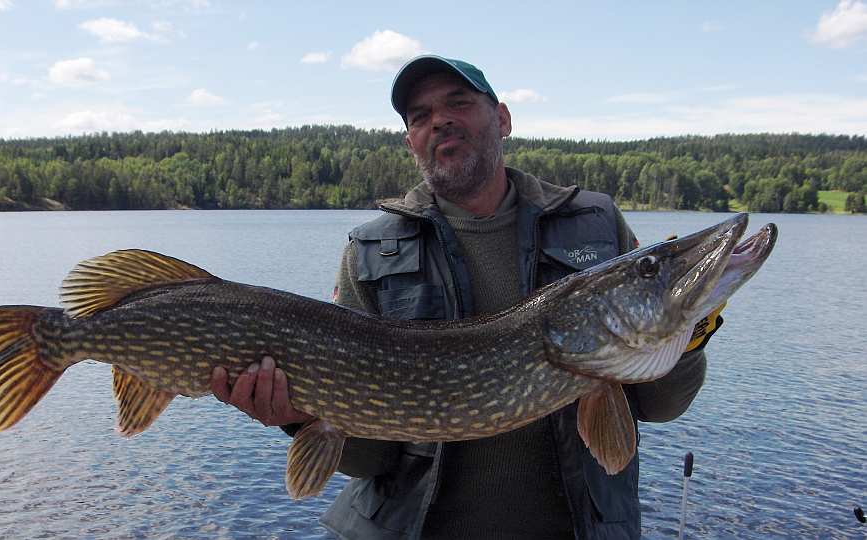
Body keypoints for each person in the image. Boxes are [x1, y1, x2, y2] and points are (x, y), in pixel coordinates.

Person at [211, 55, 720, 540]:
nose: (440, 121)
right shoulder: (370, 250)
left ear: (501, 118)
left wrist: (689, 334)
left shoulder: (595, 223)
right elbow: (373, 458)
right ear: (411, 141)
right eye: (421, 115)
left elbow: (658, 404)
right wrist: (299, 414)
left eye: (458, 103)